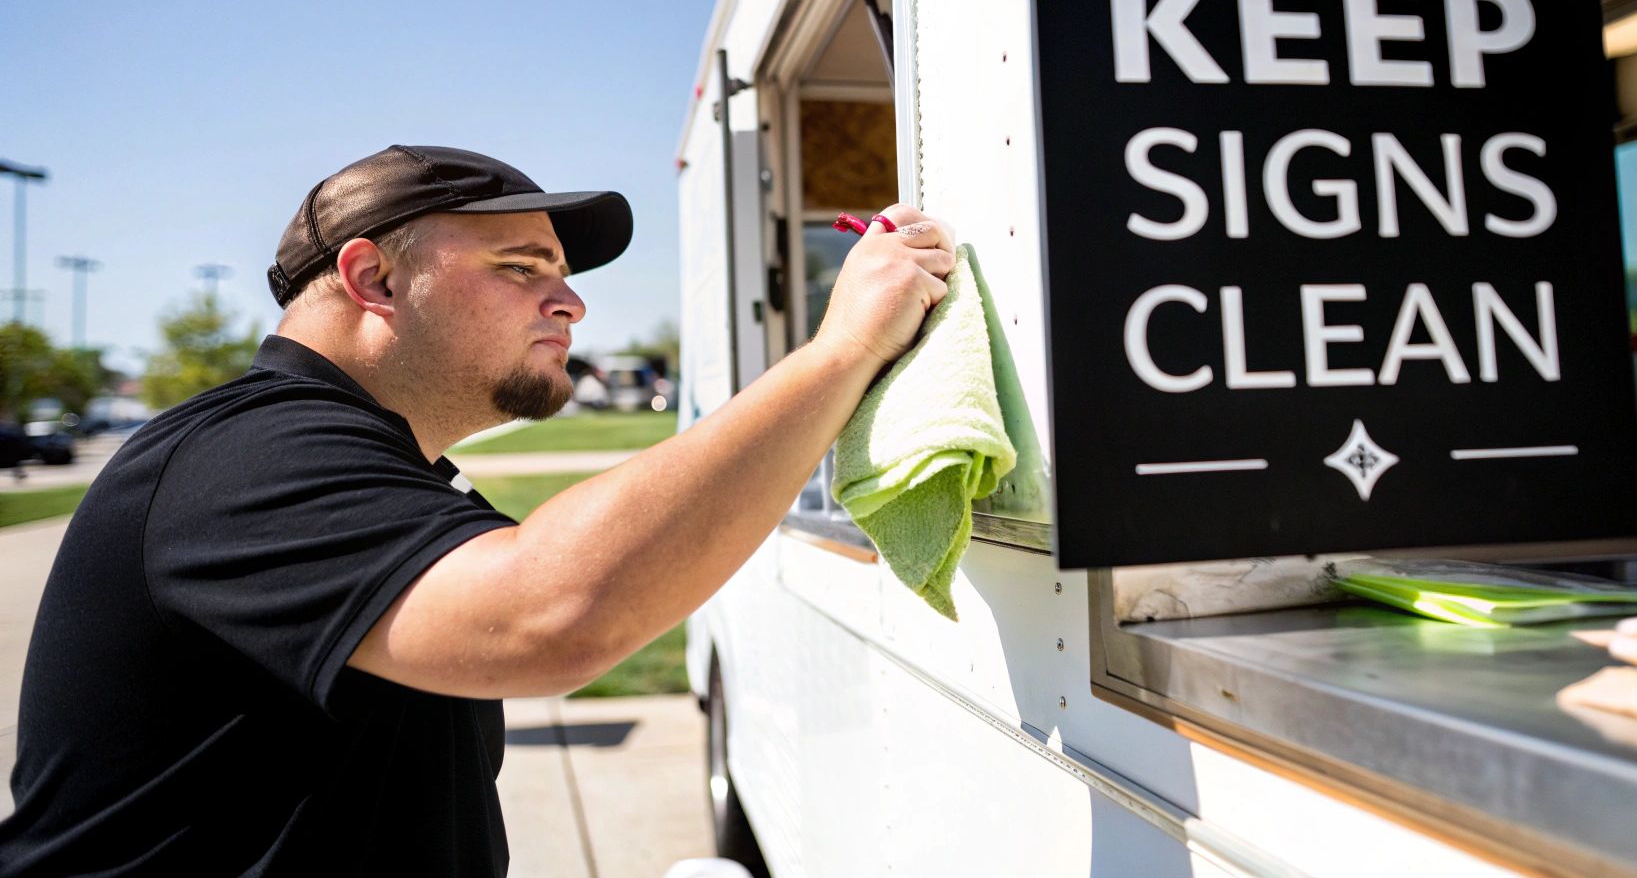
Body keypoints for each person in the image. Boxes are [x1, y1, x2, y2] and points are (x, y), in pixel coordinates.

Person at [0, 145, 953, 876]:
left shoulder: (388, 468)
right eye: (521, 267)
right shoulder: (245, 456)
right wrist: (841, 352)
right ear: (372, 278)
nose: (571, 302)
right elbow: (551, 613)